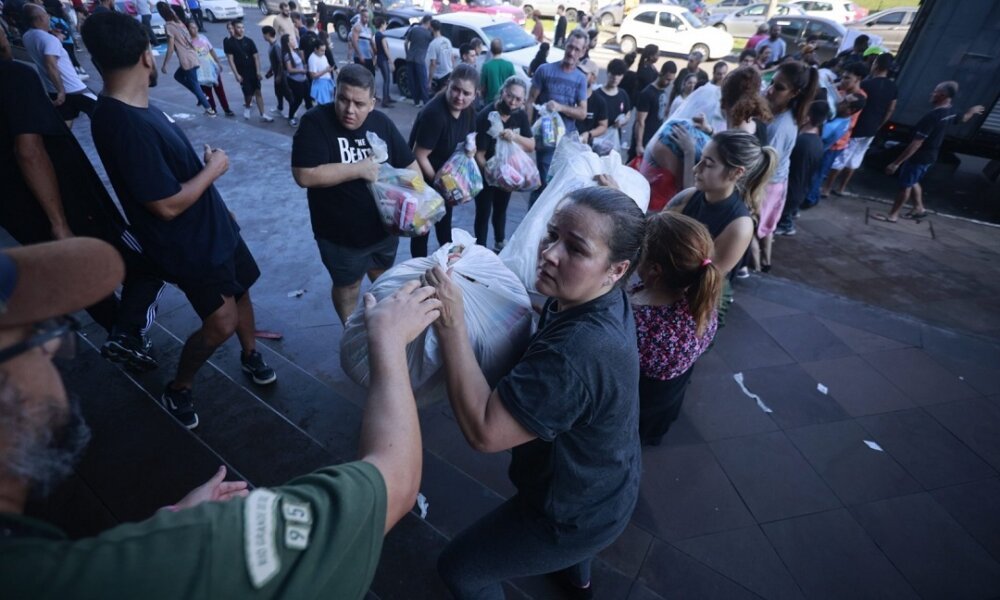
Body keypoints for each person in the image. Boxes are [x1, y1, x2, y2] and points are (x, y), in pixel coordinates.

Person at [0, 236, 439, 599]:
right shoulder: (197, 553)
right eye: (35, 334)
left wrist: (159, 532)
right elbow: (394, 481)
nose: (50, 348)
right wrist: (388, 339)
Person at [429, 186, 646, 598]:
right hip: (607, 483)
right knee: (574, 553)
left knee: (459, 569)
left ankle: (572, 567)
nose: (549, 253)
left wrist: (452, 323)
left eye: (575, 249)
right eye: (551, 234)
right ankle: (577, 581)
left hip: (572, 514)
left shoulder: (579, 352)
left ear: (616, 270)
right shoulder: (595, 299)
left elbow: (484, 432)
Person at [84, 11, 277, 430]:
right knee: (220, 322)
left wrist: (217, 202)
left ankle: (251, 355)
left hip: (214, 228)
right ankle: (180, 386)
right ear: (146, 58)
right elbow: (165, 205)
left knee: (243, 291)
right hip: (190, 247)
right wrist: (216, 168)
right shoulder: (122, 122)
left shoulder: (140, 110)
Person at [0, 23, 161, 370]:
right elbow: (29, 150)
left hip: (17, 212)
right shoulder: (15, 77)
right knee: (147, 262)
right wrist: (59, 223)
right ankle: (127, 335)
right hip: (69, 205)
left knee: (81, 279)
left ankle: (123, 337)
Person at [291, 64, 418, 324]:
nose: (349, 110)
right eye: (343, 99)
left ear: (372, 103)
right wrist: (360, 169)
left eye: (359, 104)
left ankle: (386, 331)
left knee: (384, 280)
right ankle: (350, 331)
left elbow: (411, 168)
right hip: (340, 237)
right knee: (348, 286)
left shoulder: (382, 122)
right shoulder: (315, 122)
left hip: (384, 231)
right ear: (335, 93)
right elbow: (305, 175)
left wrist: (417, 206)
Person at [664, 130, 777, 325]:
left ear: (736, 172)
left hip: (696, 304)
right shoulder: (689, 196)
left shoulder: (740, 226)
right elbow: (655, 231)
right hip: (667, 283)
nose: (696, 169)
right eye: (700, 160)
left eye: (708, 164)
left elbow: (702, 283)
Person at [631, 212, 720, 446]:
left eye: (640, 252)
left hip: (637, 399)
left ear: (655, 270)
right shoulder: (704, 302)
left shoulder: (636, 318)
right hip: (670, 392)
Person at [875, 81, 984, 222]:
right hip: (930, 156)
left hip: (919, 157)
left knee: (905, 185)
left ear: (942, 95)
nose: (932, 93)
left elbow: (916, 143)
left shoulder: (933, 117)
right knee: (913, 181)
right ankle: (919, 208)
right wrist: (971, 111)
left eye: (935, 91)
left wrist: (896, 163)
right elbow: (963, 118)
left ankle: (893, 215)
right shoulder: (950, 111)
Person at [408, 63, 479, 258]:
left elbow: (470, 136)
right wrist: (442, 188)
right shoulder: (435, 115)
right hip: (424, 179)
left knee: (444, 226)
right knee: (422, 231)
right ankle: (419, 271)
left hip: (445, 179)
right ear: (448, 84)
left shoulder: (469, 111)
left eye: (466, 93)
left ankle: (446, 267)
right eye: (455, 89)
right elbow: (419, 155)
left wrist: (470, 148)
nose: (460, 97)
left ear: (475, 95)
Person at [753, 60, 817, 272]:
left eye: (779, 88)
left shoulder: (782, 125)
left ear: (794, 93)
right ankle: (766, 263)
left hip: (767, 184)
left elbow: (765, 163)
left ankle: (754, 267)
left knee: (753, 228)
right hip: (776, 182)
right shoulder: (782, 115)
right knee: (766, 226)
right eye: (772, 83)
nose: (770, 90)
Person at [473, 76, 534, 251]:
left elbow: (531, 145)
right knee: (483, 213)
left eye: (518, 99)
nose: (513, 102)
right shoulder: (486, 116)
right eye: (510, 96)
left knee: (501, 210)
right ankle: (480, 250)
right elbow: (480, 154)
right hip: (487, 175)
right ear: (502, 93)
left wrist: (514, 136)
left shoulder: (520, 116)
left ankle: (500, 242)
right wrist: (493, 174)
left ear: (523, 101)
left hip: (509, 175)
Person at [527, 29, 588, 195]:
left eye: (577, 49)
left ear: (583, 52)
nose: (572, 52)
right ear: (565, 46)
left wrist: (560, 107)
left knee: (560, 189)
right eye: (570, 47)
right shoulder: (544, 70)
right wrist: (528, 134)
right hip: (546, 139)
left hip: (566, 143)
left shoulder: (580, 79)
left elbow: (583, 113)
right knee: (542, 186)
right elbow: (530, 100)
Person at [825, 53, 897, 196]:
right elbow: (891, 108)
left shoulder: (866, 85)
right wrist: (879, 124)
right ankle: (841, 188)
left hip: (857, 127)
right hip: (871, 130)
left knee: (841, 159)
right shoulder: (893, 87)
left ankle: (826, 188)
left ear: (876, 65)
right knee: (855, 160)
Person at [21, 3, 94, 125]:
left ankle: (66, 143)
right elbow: (51, 65)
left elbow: (41, 42)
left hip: (53, 88)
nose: (49, 17)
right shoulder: (49, 40)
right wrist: (61, 91)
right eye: (46, 14)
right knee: (99, 111)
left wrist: (52, 33)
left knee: (67, 118)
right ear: (40, 18)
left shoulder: (27, 36)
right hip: (72, 87)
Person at [817, 62, 869, 198]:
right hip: (826, 138)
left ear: (858, 79)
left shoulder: (858, 98)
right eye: (843, 77)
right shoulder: (841, 91)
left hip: (835, 142)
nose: (843, 81)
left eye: (847, 78)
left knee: (820, 173)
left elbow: (849, 121)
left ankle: (814, 196)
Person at [775, 100, 827, 236]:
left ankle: (786, 225)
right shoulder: (817, 141)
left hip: (791, 191)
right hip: (800, 190)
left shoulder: (802, 142)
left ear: (807, 118)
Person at [156, 2, 215, 115]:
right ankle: (201, 96)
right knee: (178, 76)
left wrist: (165, 65)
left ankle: (209, 108)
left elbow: (170, 48)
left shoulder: (169, 26)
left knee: (194, 83)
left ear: (161, 14)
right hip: (192, 54)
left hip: (186, 59)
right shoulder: (179, 23)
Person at [224, 19, 274, 122]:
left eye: (242, 27)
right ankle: (247, 106)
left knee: (258, 92)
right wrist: (236, 74)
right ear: (234, 28)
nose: (241, 30)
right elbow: (230, 60)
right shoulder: (230, 43)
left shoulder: (249, 41)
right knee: (248, 95)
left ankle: (263, 114)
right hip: (242, 73)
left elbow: (256, 57)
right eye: (238, 27)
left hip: (253, 71)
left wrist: (258, 71)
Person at [189, 21, 232, 116]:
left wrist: (218, 62)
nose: (194, 29)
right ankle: (212, 108)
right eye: (191, 28)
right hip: (200, 69)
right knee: (207, 91)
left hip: (211, 65)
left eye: (195, 27)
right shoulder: (188, 41)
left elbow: (211, 50)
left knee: (219, 88)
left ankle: (226, 109)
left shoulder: (203, 38)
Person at [633, 60, 675, 158]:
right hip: (644, 139)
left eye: (671, 80)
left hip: (654, 138)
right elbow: (640, 121)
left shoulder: (662, 91)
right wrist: (639, 145)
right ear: (661, 74)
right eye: (667, 79)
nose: (669, 83)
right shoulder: (647, 93)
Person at [594, 57, 631, 148]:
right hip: (596, 139)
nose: (615, 78)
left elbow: (628, 113)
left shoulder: (623, 94)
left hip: (613, 140)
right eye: (613, 74)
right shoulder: (597, 94)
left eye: (619, 75)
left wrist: (623, 121)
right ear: (608, 73)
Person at [576, 58, 607, 145]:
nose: (579, 76)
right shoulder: (569, 95)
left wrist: (589, 134)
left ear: (593, 78)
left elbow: (603, 126)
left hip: (584, 147)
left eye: (584, 74)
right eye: (578, 72)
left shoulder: (599, 101)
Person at [262, 25, 290, 116]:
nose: (263, 36)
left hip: (281, 75)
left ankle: (293, 111)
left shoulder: (276, 46)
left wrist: (278, 76)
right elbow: (274, 62)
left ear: (268, 34)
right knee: (278, 92)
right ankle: (280, 108)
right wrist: (270, 71)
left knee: (286, 93)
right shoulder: (271, 45)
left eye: (264, 34)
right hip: (277, 74)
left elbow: (281, 62)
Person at [404, 14, 432, 106]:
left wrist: (408, 53)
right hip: (420, 60)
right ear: (428, 22)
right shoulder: (428, 34)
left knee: (412, 82)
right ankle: (425, 102)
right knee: (423, 82)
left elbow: (406, 42)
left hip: (410, 58)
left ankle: (416, 102)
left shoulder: (414, 29)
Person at [282, 32, 309, 124]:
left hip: (303, 79)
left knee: (308, 98)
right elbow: (289, 69)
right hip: (295, 81)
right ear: (287, 43)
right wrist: (301, 71)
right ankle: (291, 117)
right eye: (292, 40)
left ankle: (312, 116)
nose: (294, 41)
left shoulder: (295, 51)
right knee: (298, 100)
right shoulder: (287, 55)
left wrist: (304, 66)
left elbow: (301, 63)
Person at [479, 38, 515, 105]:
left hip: (491, 101)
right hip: (506, 100)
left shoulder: (486, 66)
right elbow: (513, 83)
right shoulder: (509, 65)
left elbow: (483, 87)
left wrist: (482, 97)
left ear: (491, 50)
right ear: (502, 49)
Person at [426, 19, 453, 93]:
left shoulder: (433, 44)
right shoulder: (447, 41)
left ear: (432, 28)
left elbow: (433, 63)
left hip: (439, 76)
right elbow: (451, 57)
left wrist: (429, 81)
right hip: (449, 73)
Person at [307, 37, 335, 104]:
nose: (323, 52)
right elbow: (312, 75)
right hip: (320, 84)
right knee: (325, 105)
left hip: (327, 82)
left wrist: (329, 69)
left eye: (324, 50)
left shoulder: (322, 56)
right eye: (321, 50)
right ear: (315, 49)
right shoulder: (312, 59)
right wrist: (326, 70)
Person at [351, 8, 375, 77]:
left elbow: (369, 44)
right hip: (360, 57)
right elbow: (354, 41)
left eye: (368, 17)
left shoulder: (368, 29)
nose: (367, 19)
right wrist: (360, 55)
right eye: (365, 17)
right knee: (361, 77)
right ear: (361, 16)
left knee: (371, 76)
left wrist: (373, 56)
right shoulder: (357, 27)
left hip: (368, 57)